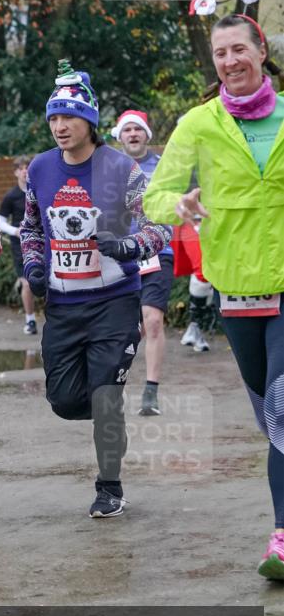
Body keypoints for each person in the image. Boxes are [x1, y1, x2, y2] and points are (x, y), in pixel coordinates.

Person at [144, 9, 284, 581]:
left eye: (238, 50)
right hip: (237, 290)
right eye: (220, 53)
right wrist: (177, 206)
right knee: (267, 416)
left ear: (262, 50)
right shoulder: (198, 124)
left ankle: (282, 539)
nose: (229, 61)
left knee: (283, 408)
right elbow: (155, 195)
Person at [20, 60, 171, 518]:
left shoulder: (120, 168)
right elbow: (29, 228)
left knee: (105, 396)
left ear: (90, 121)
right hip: (63, 307)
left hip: (113, 303)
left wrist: (128, 245)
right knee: (65, 401)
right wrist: (34, 264)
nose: (59, 126)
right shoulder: (41, 170)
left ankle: (110, 486)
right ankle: (112, 414)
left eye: (68, 116)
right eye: (53, 117)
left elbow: (160, 226)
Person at [112, 110, 174, 415]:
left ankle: (151, 392)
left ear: (147, 135)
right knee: (124, 328)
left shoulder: (163, 168)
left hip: (157, 252)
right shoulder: (110, 168)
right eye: (128, 130)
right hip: (121, 255)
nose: (133, 134)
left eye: (138, 129)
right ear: (120, 136)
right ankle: (113, 388)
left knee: (152, 320)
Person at [0, 155, 37, 334]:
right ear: (16, 172)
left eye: (28, 167)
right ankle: (30, 321)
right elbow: (0, 222)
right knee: (27, 283)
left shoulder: (40, 191)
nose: (25, 171)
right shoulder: (11, 196)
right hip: (20, 245)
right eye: (21, 168)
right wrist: (15, 231)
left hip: (42, 243)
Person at [172, 221, 213, 352]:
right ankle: (196, 326)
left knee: (209, 272)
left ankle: (196, 327)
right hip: (190, 218)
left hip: (219, 216)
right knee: (202, 271)